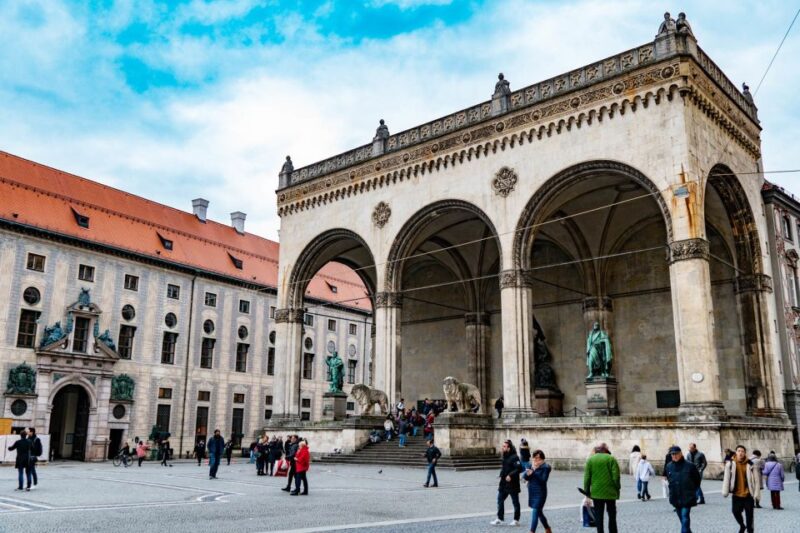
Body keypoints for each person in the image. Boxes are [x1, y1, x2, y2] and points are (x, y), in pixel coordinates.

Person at [583, 442, 620, 533]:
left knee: (599, 516)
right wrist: (618, 487)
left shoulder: (590, 460)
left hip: (596, 493)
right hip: (610, 492)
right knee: (612, 515)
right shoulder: (611, 459)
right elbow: (616, 477)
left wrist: (586, 491)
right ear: (606, 450)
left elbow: (587, 478)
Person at [722, 444, 760, 533]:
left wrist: (756, 494)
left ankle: (750, 531)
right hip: (736, 494)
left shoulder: (750, 464)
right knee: (735, 512)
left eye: (742, 451)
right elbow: (726, 478)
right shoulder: (730, 464)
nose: (740, 453)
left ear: (745, 453)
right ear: (736, 452)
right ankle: (742, 525)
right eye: (739, 451)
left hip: (748, 494)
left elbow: (756, 480)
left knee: (750, 517)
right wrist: (725, 491)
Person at [665, 446, 700, 533]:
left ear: (680, 453)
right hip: (675, 496)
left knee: (685, 517)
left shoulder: (690, 466)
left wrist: (691, 490)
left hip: (687, 496)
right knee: (682, 520)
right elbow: (669, 479)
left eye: (676, 454)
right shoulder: (669, 466)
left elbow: (697, 480)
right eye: (672, 454)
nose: (674, 456)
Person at [491, 440, 523, 526]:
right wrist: (501, 474)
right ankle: (500, 518)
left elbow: (519, 468)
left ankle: (516, 520)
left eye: (504, 446)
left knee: (515, 502)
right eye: (503, 446)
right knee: (500, 500)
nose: (503, 448)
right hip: (504, 483)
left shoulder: (514, 457)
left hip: (513, 483)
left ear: (509, 448)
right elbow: (504, 468)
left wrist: (510, 475)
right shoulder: (505, 456)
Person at [523, 449, 552, 533]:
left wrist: (534, 472)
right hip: (532, 492)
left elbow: (543, 480)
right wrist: (528, 473)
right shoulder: (531, 465)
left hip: (540, 493)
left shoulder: (545, 467)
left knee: (535, 510)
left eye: (538, 458)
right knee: (539, 513)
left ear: (542, 459)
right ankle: (547, 528)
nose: (536, 460)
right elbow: (525, 477)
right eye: (534, 458)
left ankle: (532, 531)